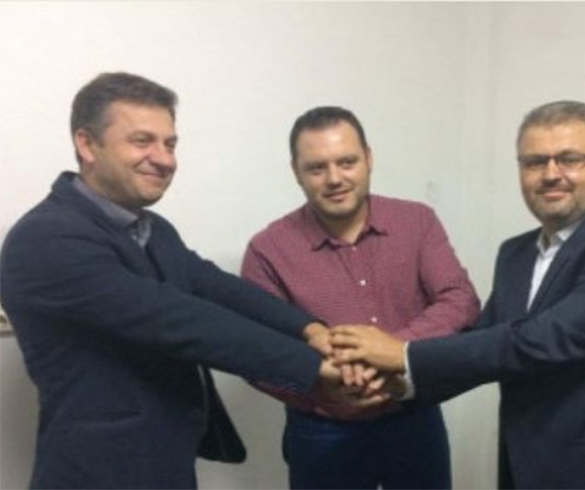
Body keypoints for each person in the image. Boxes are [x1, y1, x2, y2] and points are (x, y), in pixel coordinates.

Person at [0, 72, 347, 489]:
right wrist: (316, 369)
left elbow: (216, 288)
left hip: (167, 462)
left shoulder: (154, 229)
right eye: (142, 141)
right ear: (87, 144)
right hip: (97, 472)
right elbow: (180, 320)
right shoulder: (47, 238)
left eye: (170, 143)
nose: (164, 159)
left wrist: (311, 330)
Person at [331, 101, 585, 489]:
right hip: (527, 468)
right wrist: (400, 384)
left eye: (570, 159)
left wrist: (403, 354)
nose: (551, 174)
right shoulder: (516, 254)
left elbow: (542, 340)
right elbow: (485, 342)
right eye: (534, 162)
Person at [241, 106, 480, 489]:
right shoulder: (268, 250)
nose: (335, 178)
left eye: (347, 162)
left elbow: (460, 299)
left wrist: (395, 352)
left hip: (414, 417)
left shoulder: (417, 222)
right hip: (320, 428)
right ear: (296, 172)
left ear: (368, 158)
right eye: (316, 168)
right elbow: (255, 353)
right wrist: (321, 385)